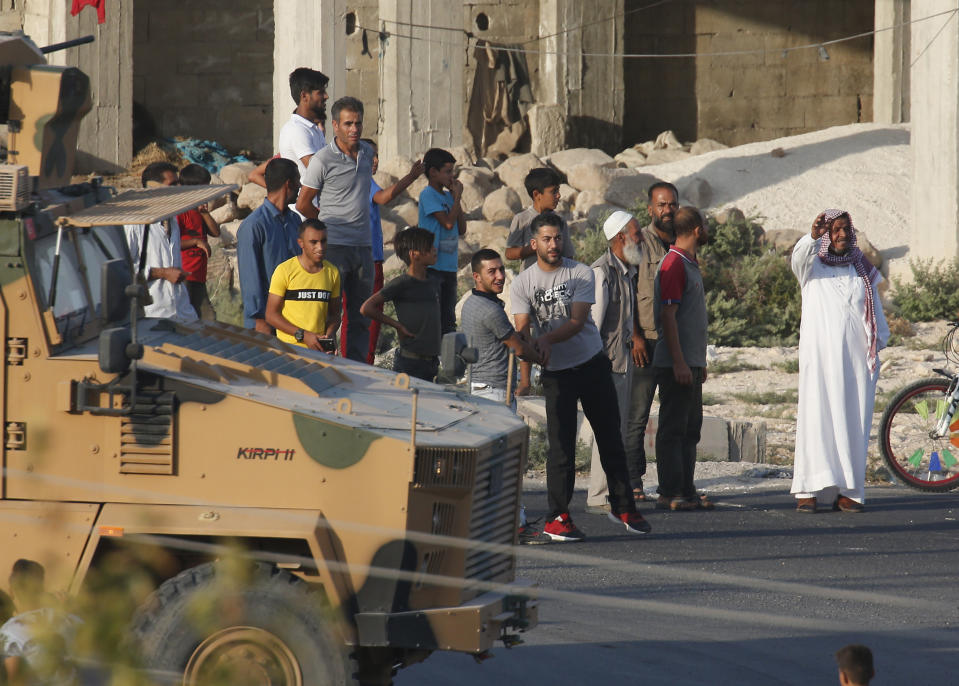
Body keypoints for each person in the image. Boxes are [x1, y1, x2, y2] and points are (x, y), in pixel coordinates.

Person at [510, 212, 649, 540]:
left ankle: (622, 505)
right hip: (557, 374)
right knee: (560, 448)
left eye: (558, 238)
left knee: (610, 438)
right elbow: (521, 330)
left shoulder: (582, 273)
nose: (554, 244)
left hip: (591, 364)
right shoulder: (523, 283)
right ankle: (557, 517)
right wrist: (527, 363)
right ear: (534, 244)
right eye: (546, 239)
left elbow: (576, 322)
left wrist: (543, 340)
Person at [791, 210, 889, 513]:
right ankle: (808, 489)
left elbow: (877, 316)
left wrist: (877, 345)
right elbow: (797, 257)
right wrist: (811, 234)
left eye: (845, 228)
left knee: (852, 423)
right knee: (815, 420)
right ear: (825, 235)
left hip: (855, 364)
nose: (841, 234)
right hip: (819, 362)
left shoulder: (862, 270)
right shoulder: (811, 267)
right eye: (834, 230)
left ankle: (850, 491)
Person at [296, 97, 375, 362]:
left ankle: (356, 368)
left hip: (363, 246)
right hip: (335, 248)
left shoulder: (367, 153)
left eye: (358, 123)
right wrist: (327, 226)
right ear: (335, 125)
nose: (354, 129)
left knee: (361, 314)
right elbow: (303, 203)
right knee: (328, 313)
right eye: (348, 123)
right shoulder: (323, 159)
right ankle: (324, 364)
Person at [653, 206, 710, 512]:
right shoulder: (673, 263)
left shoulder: (688, 263)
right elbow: (668, 316)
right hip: (677, 364)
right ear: (697, 230)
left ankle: (686, 490)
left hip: (691, 363)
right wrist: (679, 362)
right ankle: (670, 491)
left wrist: (697, 362)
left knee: (690, 429)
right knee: (673, 428)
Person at [585, 211, 643, 515]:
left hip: (622, 362)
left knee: (616, 429)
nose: (641, 237)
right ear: (621, 237)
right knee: (606, 430)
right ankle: (599, 495)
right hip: (607, 364)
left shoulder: (626, 270)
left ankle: (610, 492)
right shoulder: (602, 272)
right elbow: (593, 325)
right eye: (636, 232)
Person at [625, 182, 678, 502]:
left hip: (674, 343)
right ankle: (633, 480)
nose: (667, 210)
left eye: (672, 204)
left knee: (673, 418)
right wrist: (634, 336)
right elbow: (627, 291)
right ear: (650, 209)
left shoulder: (682, 244)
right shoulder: (638, 243)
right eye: (661, 205)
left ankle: (671, 485)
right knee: (637, 417)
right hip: (646, 341)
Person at [505, 167, 576, 396]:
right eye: (553, 191)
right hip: (529, 283)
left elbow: (570, 253)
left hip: (556, 283)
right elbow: (510, 252)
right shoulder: (522, 220)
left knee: (555, 326)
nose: (558, 196)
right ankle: (525, 381)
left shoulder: (559, 222)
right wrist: (532, 248)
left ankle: (555, 375)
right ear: (537, 194)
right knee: (525, 330)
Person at [361, 138, 424, 363]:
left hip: (365, 257)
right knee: (371, 315)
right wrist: (411, 177)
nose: (376, 161)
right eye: (371, 156)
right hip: (369, 260)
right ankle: (364, 361)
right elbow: (384, 197)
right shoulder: (363, 182)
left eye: (377, 155)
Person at [460, 248, 541, 405]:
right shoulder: (490, 310)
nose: (500, 276)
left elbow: (498, 338)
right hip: (493, 392)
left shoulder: (470, 302)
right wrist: (542, 360)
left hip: (477, 386)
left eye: (501, 269)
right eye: (492, 271)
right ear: (477, 277)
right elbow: (519, 350)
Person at [360, 227, 441, 382]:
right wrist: (397, 325)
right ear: (413, 254)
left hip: (431, 363)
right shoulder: (402, 283)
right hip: (410, 363)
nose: (434, 250)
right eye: (429, 247)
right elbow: (366, 308)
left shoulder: (433, 281)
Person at [124, 162, 197, 321]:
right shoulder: (134, 224)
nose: (178, 189)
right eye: (172, 185)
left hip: (183, 312)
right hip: (153, 315)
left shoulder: (172, 220)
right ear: (153, 189)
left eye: (178, 183)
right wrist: (162, 273)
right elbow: (123, 270)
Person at [237, 158, 301, 333]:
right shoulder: (254, 225)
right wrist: (259, 320)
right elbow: (250, 278)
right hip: (266, 323)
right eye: (298, 182)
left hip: (294, 317)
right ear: (289, 183)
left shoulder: (295, 220)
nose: (300, 187)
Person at [0, 559, 81, 686]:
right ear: (42, 588)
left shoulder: (11, 631)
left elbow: (14, 679)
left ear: (11, 591)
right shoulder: (73, 620)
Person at [265, 219, 341, 351]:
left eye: (323, 241)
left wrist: (329, 334)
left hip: (319, 350)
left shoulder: (332, 272)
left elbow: (334, 315)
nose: (320, 247)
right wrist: (303, 335)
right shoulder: (284, 270)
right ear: (301, 243)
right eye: (314, 242)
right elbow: (271, 315)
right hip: (289, 350)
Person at [418, 148, 465, 336]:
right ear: (433, 172)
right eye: (447, 172)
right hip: (433, 266)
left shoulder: (448, 197)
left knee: (448, 319)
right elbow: (447, 223)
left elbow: (461, 228)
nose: (451, 176)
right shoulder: (428, 194)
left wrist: (456, 199)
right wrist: (458, 197)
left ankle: (448, 361)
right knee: (434, 318)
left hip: (449, 266)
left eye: (452, 172)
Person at [176, 163, 221, 320]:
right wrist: (195, 241)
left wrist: (205, 213)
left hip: (199, 276)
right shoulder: (180, 213)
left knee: (208, 318)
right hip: (184, 277)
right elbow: (171, 243)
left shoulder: (200, 213)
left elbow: (216, 232)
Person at [278, 67, 329, 177]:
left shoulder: (312, 128)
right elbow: (318, 172)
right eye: (320, 92)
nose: (326, 96)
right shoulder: (297, 130)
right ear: (304, 96)